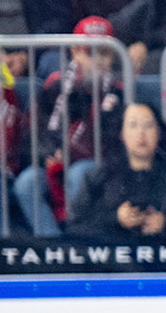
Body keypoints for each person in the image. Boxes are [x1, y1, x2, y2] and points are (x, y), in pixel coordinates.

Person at [9, 18, 125, 234]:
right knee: (27, 182)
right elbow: (34, 130)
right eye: (89, 53)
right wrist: (48, 154)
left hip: (97, 167)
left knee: (79, 174)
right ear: (75, 52)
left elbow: (117, 139)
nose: (97, 60)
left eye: (104, 52)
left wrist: (74, 156)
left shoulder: (118, 89)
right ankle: (52, 245)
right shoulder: (55, 84)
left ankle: (77, 242)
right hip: (52, 162)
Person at [66, 100, 166, 238]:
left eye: (148, 125)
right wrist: (115, 219)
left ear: (159, 132)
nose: (141, 133)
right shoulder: (98, 178)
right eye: (133, 125)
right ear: (121, 133)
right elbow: (76, 227)